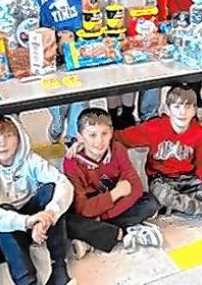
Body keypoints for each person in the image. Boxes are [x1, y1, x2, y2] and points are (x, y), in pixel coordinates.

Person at [111, 84, 202, 221]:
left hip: (189, 178)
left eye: (188, 107)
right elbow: (121, 137)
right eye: (177, 107)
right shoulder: (154, 128)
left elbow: (201, 164)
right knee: (164, 195)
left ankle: (179, 206)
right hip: (162, 179)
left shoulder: (200, 133)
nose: (182, 112)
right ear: (168, 109)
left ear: (195, 110)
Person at [0, 116, 76, 285]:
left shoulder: (29, 159)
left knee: (51, 189)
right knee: (3, 209)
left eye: (8, 136)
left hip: (35, 223)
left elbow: (64, 183)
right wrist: (26, 221)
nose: (2, 144)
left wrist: (48, 215)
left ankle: (59, 270)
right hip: (4, 234)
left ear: (19, 136)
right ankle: (27, 281)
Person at [63, 108, 163, 259]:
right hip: (98, 202)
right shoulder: (72, 162)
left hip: (103, 208)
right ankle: (122, 231)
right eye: (92, 135)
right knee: (67, 221)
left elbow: (134, 188)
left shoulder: (117, 149)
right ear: (80, 137)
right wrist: (115, 194)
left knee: (150, 203)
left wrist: (101, 217)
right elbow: (82, 208)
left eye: (104, 134)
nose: (99, 141)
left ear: (111, 133)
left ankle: (95, 237)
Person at [21, 0, 87, 145]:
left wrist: (74, 34)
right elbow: (28, 12)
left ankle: (72, 138)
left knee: (79, 88)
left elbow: (86, 3)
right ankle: (58, 118)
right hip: (48, 40)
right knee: (52, 88)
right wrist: (52, 36)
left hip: (75, 37)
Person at [94, 0, 155, 129]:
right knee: (113, 75)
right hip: (110, 33)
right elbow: (95, 3)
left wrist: (149, 22)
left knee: (132, 73)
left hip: (135, 33)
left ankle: (128, 113)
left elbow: (149, 0)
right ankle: (114, 113)